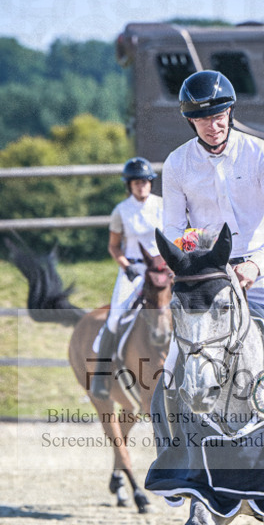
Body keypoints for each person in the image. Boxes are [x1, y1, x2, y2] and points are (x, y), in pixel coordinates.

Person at [161, 69, 264, 398]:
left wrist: (255, 264)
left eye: (220, 115)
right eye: (203, 119)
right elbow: (172, 231)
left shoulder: (259, 152)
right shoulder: (177, 163)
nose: (214, 126)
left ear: (230, 112)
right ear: (191, 122)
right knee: (171, 366)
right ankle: (172, 442)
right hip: (210, 276)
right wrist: (208, 248)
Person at [90, 156, 164, 400]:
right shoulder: (121, 211)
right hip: (133, 271)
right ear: (129, 185)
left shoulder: (163, 206)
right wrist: (125, 266)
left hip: (161, 272)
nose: (141, 186)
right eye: (136, 183)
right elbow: (114, 246)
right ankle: (101, 377)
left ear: (150, 183)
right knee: (115, 317)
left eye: (145, 182)